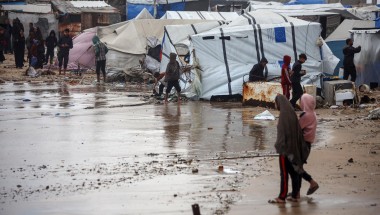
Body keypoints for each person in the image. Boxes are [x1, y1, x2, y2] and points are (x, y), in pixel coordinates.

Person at [268, 94, 309, 204]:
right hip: (293, 149)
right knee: (293, 172)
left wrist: (279, 147)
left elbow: (282, 135)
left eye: (276, 103)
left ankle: (282, 197)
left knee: (284, 173)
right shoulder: (291, 113)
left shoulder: (283, 116)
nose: (276, 105)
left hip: (285, 150)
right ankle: (295, 195)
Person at [298, 93, 319, 196]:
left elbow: (296, 128)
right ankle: (296, 192)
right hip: (308, 145)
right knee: (298, 167)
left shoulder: (305, 115)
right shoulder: (313, 114)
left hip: (302, 145)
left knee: (296, 168)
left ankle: (312, 183)